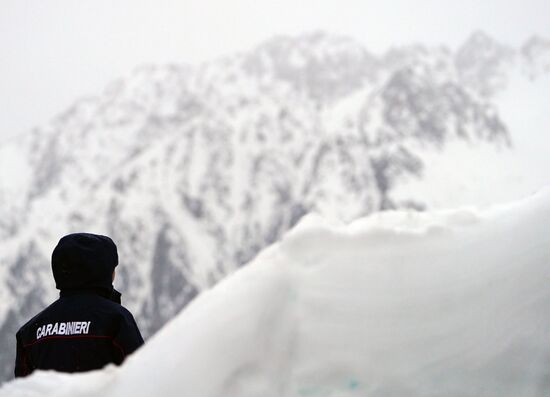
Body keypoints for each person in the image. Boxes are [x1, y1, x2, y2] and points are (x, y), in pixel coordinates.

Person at [14, 233, 144, 377]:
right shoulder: (117, 320)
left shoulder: (30, 332)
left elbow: (23, 389)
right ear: (105, 271)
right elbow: (141, 377)